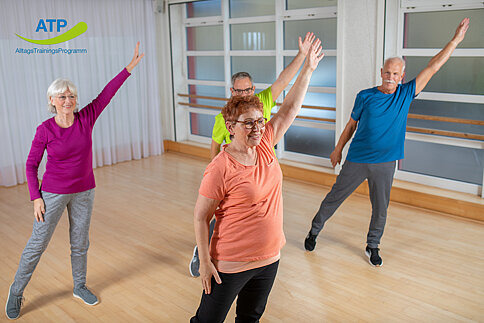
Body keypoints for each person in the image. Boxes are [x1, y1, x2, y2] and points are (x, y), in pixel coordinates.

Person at [304, 18, 470, 267]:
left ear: (401, 76)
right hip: (357, 159)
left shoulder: (406, 94)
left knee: (380, 208)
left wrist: (455, 40)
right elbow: (350, 126)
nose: (391, 77)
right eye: (387, 72)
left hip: (385, 163)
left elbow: (434, 66)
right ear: (381, 72)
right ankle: (314, 231)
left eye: (396, 73)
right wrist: (338, 148)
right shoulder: (365, 96)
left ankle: (373, 246)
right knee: (334, 198)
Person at [5, 43, 144, 320]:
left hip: (84, 191)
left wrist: (127, 69)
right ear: (52, 101)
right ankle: (17, 291)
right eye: (62, 96)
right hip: (52, 194)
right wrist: (36, 197)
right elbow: (31, 165)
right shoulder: (44, 130)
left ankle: (79, 286)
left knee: (80, 242)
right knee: (38, 244)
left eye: (71, 95)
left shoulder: (86, 118)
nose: (68, 99)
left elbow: (107, 94)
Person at [191, 39, 323, 323]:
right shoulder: (220, 167)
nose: (257, 128)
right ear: (231, 128)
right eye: (248, 123)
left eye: (260, 121)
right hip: (230, 263)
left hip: (269, 259)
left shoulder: (264, 143)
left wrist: (308, 68)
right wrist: (204, 261)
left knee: (250, 318)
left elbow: (289, 109)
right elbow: (201, 217)